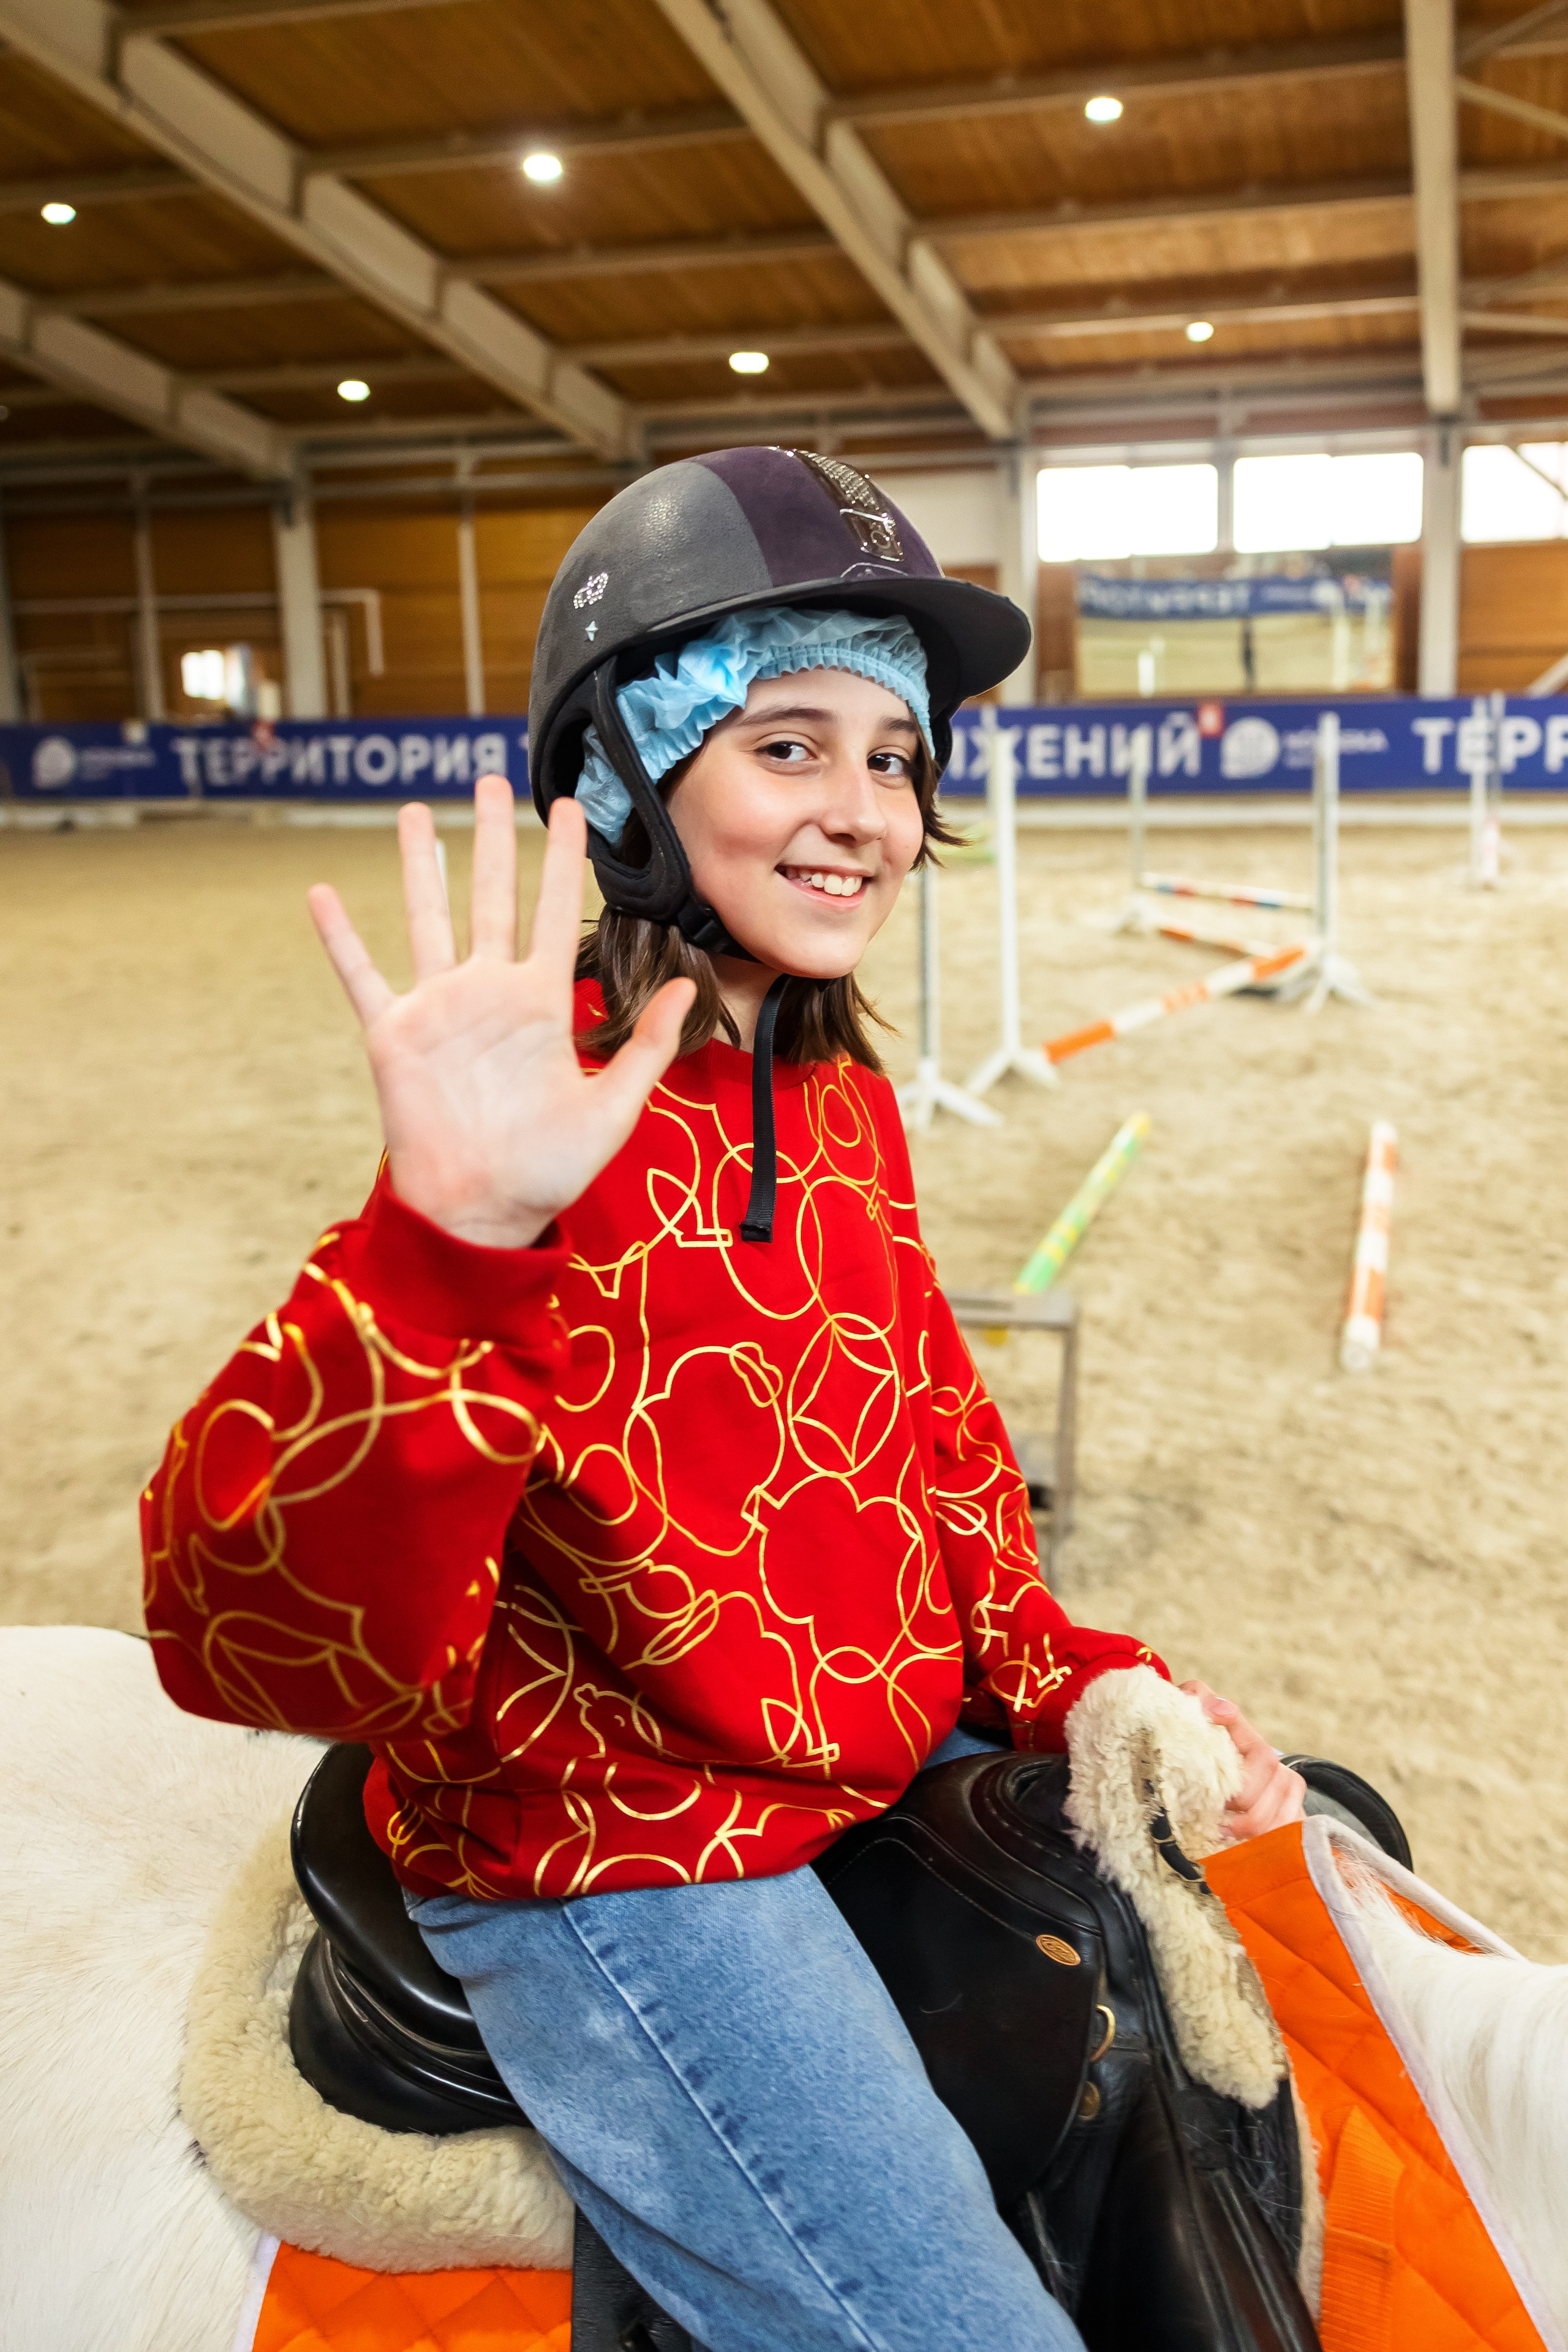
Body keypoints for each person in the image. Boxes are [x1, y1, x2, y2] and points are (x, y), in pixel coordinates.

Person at [142, 448, 1303, 2352]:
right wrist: (445, 1245)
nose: (864, 812)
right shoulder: (537, 1131)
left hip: (860, 1754)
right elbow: (247, 1646)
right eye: (787, 748)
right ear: (626, 777)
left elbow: (930, 1439)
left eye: (895, 755)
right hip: (613, 1846)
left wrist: (1067, 1665)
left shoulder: (838, 1103)